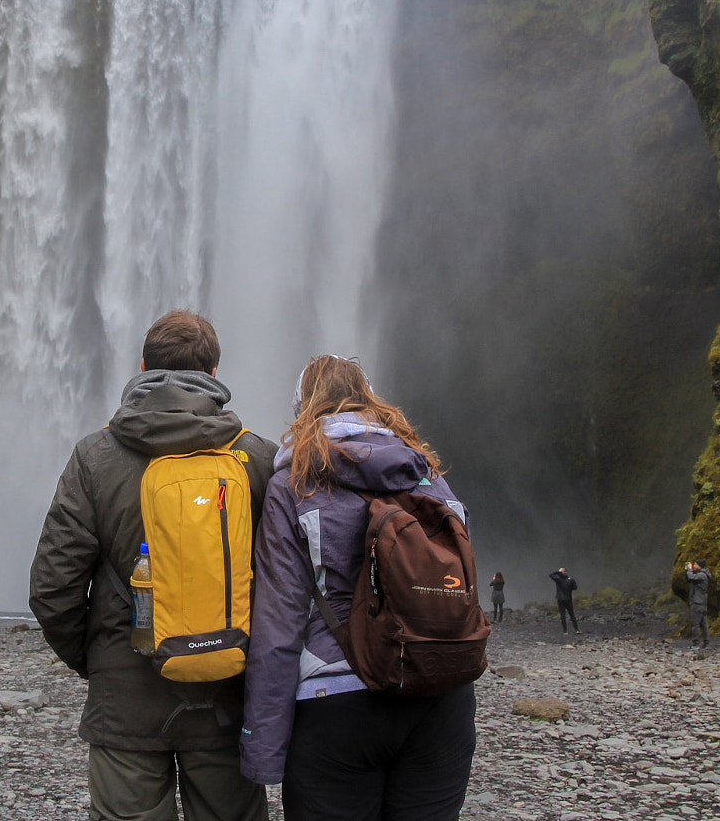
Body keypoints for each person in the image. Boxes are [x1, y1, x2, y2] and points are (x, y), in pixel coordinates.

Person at [29, 310, 277, 821]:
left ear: (142, 366)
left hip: (125, 699)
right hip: (226, 696)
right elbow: (286, 586)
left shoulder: (94, 456)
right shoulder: (257, 458)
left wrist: (98, 658)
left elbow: (53, 586)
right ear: (214, 375)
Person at [241, 355, 476, 821]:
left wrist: (263, 749)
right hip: (440, 695)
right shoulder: (430, 478)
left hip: (338, 703)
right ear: (372, 401)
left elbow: (279, 623)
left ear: (303, 409)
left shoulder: (293, 488)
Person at [685, 559, 711, 649]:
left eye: (695, 564)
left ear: (699, 565)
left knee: (696, 624)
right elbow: (689, 578)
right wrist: (688, 570)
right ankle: (706, 643)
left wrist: (689, 569)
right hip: (702, 603)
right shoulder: (703, 575)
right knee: (703, 624)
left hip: (698, 603)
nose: (694, 565)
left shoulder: (702, 575)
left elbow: (691, 577)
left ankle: (696, 643)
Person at [549, 568, 579, 634]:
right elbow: (575, 588)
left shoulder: (558, 579)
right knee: (572, 614)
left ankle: (565, 631)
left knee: (563, 615)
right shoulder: (571, 579)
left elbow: (550, 575)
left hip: (560, 599)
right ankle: (577, 629)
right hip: (568, 599)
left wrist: (557, 572)